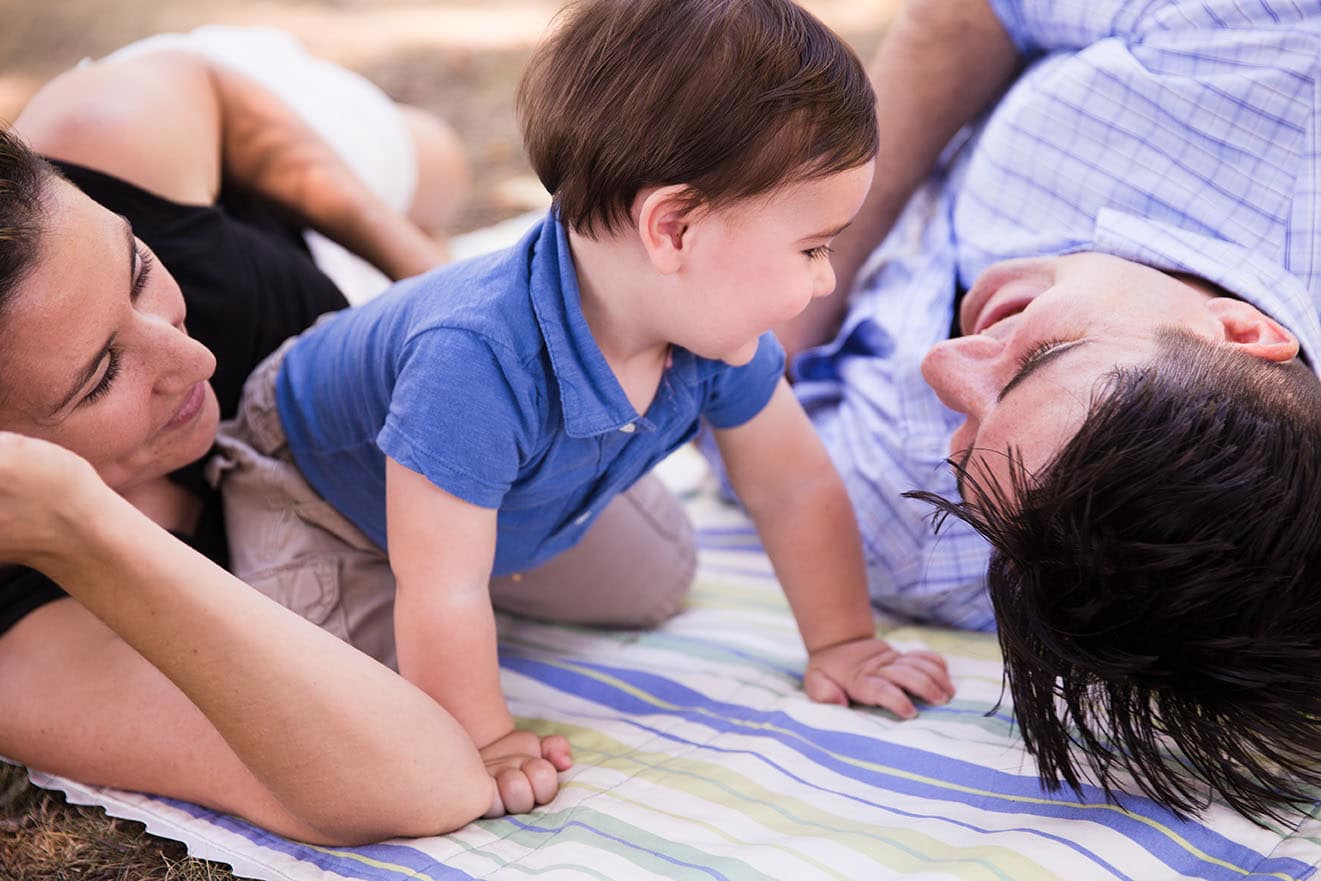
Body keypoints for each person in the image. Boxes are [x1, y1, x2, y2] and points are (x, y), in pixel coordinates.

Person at [208, 0, 957, 815]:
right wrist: (481, 734)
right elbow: (443, 585)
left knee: (657, 578)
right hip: (316, 486)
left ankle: (479, 520)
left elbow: (792, 485)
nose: (823, 281)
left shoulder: (713, 331)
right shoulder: (475, 355)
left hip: (475, 504)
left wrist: (844, 640)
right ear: (673, 229)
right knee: (341, 715)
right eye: (812, 248)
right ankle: (371, 559)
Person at [0, 28, 690, 843]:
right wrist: (82, 523)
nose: (193, 357)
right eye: (101, 375)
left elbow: (206, 88)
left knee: (434, 163)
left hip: (315, 221)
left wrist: (419, 272)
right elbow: (424, 781)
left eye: (141, 271)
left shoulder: (99, 143)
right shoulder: (26, 631)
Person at [780, 0, 1321, 819]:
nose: (942, 362)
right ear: (1242, 332)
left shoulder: (913, 539)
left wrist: (766, 320)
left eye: (964, 450)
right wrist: (822, 240)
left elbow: (730, 401)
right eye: (1039, 358)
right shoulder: (1275, 57)